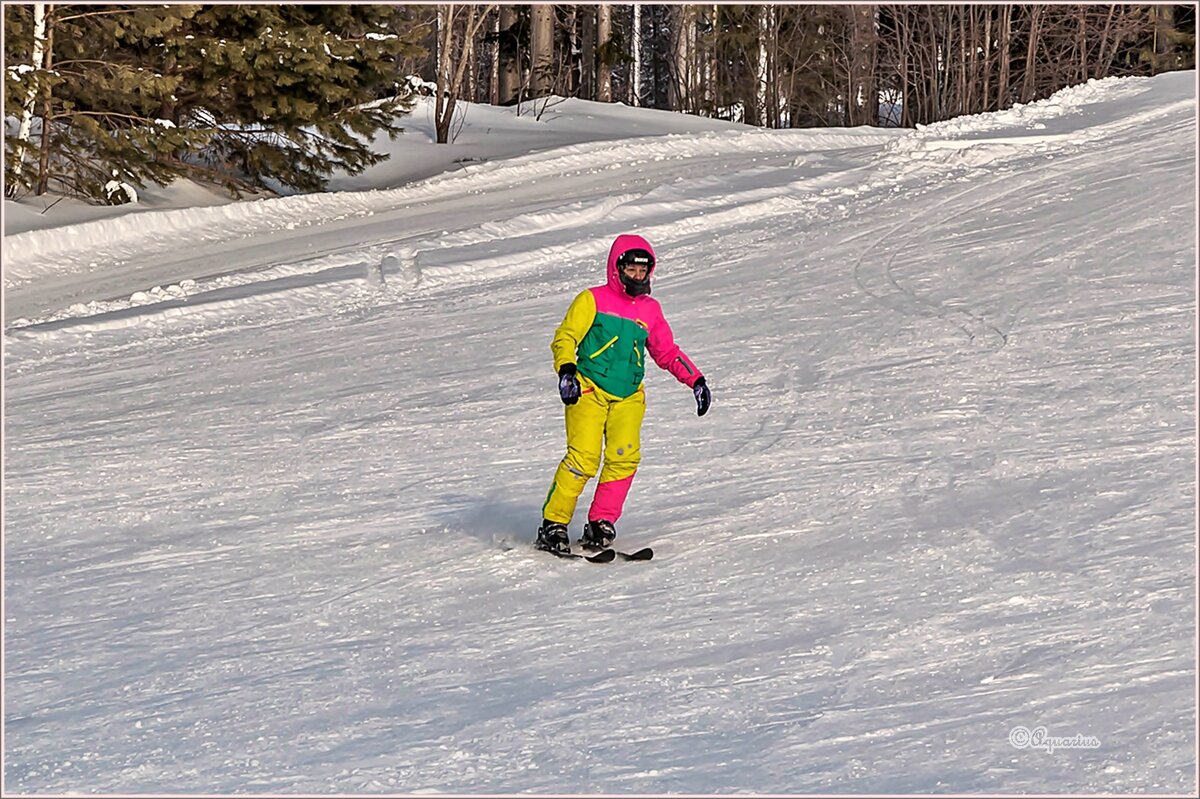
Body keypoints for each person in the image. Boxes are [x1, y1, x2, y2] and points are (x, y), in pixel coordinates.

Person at [537, 233, 711, 554]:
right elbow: (565, 337)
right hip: (588, 388)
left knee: (624, 457)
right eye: (631, 270)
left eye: (643, 272)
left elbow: (667, 352)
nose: (637, 277)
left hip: (629, 395)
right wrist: (567, 371)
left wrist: (696, 380)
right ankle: (553, 523)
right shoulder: (592, 300)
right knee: (584, 459)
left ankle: (601, 521)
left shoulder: (650, 311)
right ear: (617, 268)